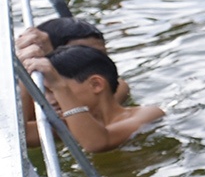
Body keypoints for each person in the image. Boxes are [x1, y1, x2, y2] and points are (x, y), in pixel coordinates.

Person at [20, 45, 162, 153]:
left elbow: (96, 142)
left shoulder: (149, 114)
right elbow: (20, 135)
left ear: (96, 85)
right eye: (45, 92)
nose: (49, 100)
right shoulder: (68, 124)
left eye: (53, 90)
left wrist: (60, 87)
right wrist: (23, 77)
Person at [17, 15, 140, 110]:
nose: (96, 63)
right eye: (81, 55)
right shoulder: (21, 91)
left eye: (101, 56)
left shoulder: (113, 87)